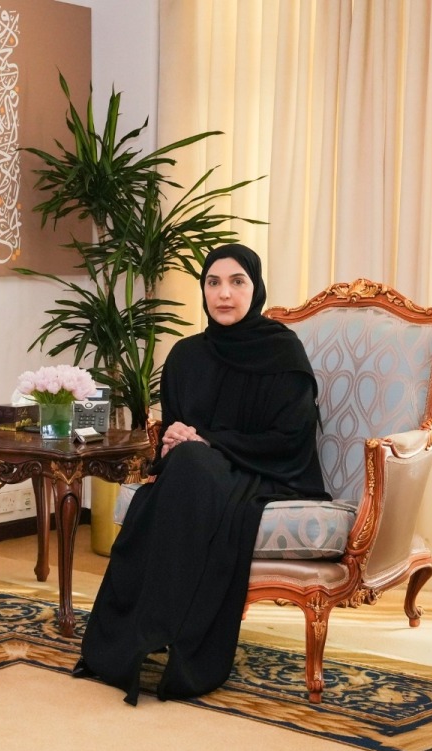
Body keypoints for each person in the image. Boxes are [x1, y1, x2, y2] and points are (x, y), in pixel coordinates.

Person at [75, 243, 329, 704]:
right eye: (213, 283)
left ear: (256, 288)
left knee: (186, 472)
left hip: (262, 471)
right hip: (196, 474)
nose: (224, 294)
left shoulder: (281, 351)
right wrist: (174, 442)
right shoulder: (186, 356)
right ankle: (148, 636)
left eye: (237, 282)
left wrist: (208, 443)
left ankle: (157, 635)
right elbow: (175, 433)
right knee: (184, 470)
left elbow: (291, 438)